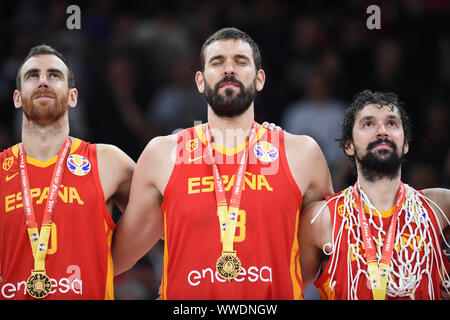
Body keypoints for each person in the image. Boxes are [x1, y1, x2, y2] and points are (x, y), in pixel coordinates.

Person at [112, 27, 333, 299]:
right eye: (217, 62)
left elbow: (328, 253)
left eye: (241, 61)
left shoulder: (303, 154)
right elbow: (114, 259)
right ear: (200, 81)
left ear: (260, 79)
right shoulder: (162, 155)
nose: (229, 69)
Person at [0, 45, 135, 300]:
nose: (43, 82)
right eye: (32, 75)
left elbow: (166, 224)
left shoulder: (109, 162)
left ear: (73, 97)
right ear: (17, 98)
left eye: (53, 75)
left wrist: (106, 263)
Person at [299, 90, 450, 300]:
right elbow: (287, 290)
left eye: (392, 124)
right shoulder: (322, 219)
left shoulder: (440, 205)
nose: (382, 131)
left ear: (406, 144)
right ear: (348, 145)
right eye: (368, 124)